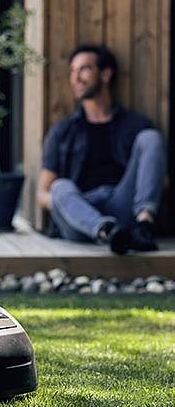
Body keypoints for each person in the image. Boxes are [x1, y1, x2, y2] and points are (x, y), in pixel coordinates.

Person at [37, 44, 167, 255]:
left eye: (84, 69)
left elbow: (158, 179)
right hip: (79, 215)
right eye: (72, 71)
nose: (76, 78)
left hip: (121, 203)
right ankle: (107, 230)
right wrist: (70, 204)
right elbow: (42, 194)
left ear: (105, 75)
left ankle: (144, 227)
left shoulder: (135, 124)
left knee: (151, 138)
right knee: (59, 186)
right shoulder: (62, 131)